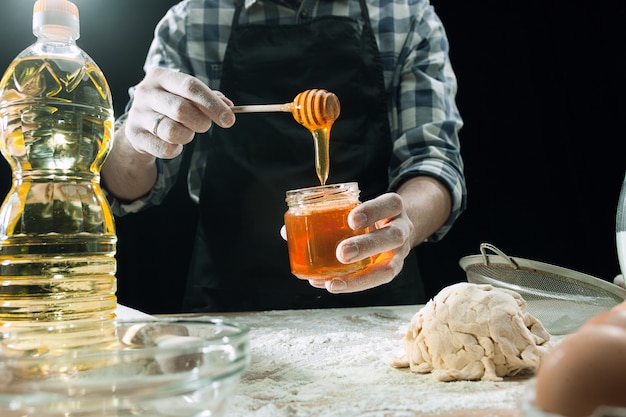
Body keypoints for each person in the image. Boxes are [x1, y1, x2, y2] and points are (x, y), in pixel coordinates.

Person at [101, 0, 467, 312]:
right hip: (231, 300)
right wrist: (134, 142)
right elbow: (130, 188)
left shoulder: (405, 15)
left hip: (374, 285)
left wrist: (404, 224)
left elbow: (434, 163)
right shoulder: (193, 20)